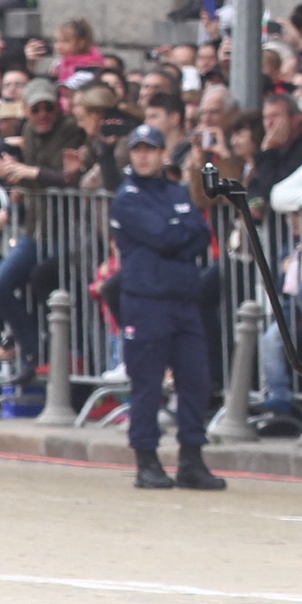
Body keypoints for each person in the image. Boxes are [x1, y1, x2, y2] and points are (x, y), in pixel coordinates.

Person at [109, 124, 226, 491]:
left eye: (150, 149)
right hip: (146, 300)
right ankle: (146, 459)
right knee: (147, 383)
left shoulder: (177, 191)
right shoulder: (126, 198)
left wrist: (175, 233)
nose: (143, 156)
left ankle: (191, 457)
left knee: (195, 381)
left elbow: (200, 236)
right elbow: (164, 236)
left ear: (162, 153)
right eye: (138, 149)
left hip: (184, 299)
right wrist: (177, 232)